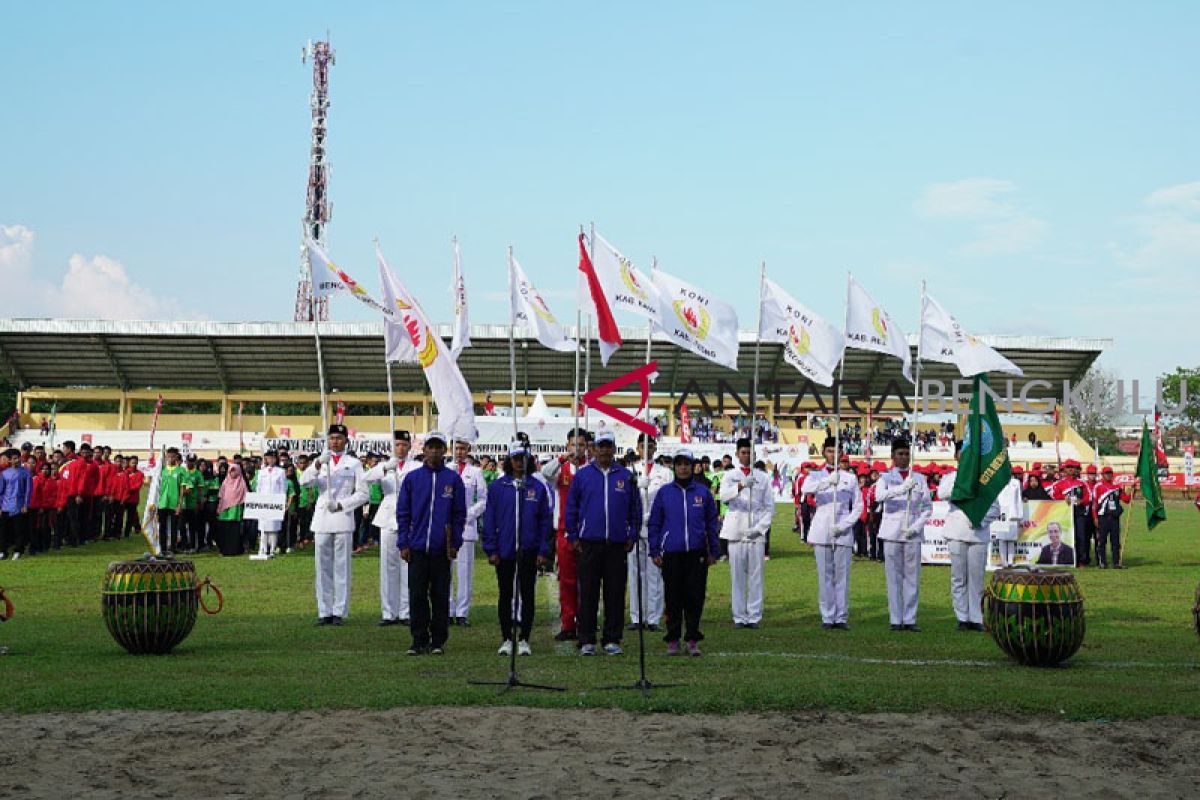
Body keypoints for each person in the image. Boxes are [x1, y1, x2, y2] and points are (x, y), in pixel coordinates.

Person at [565, 429, 641, 656]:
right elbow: (572, 509)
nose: (605, 450)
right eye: (601, 446)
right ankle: (586, 639)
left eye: (609, 446)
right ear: (594, 448)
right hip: (589, 543)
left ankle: (612, 638)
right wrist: (573, 535)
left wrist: (633, 534)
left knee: (615, 593)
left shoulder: (626, 476)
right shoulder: (583, 475)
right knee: (588, 593)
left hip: (617, 544)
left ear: (614, 448)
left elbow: (635, 509)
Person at [397, 431, 466, 655]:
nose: (434, 451)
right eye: (431, 447)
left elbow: (459, 514)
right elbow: (403, 513)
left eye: (439, 447)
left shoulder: (453, 479)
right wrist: (403, 543)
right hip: (417, 548)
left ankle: (438, 640)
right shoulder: (412, 478)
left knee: (439, 595)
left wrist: (455, 542)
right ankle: (418, 640)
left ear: (445, 450)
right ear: (424, 450)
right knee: (417, 595)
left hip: (441, 549)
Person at [481, 440, 552, 656]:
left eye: (523, 458)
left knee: (527, 594)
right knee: (506, 594)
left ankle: (524, 639)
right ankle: (506, 638)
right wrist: (491, 549)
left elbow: (544, 522)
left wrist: (543, 551)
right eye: (515, 458)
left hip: (529, 550)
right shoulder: (497, 488)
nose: (519, 462)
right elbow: (490, 520)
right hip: (505, 550)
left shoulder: (536, 487)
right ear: (509, 461)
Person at [648, 448, 720, 656]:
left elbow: (711, 523)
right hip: (672, 553)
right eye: (679, 464)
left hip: (696, 553)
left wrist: (713, 550)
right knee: (673, 598)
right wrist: (655, 550)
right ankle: (672, 639)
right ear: (674, 467)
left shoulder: (703, 493)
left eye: (686, 464)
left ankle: (692, 638)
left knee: (694, 597)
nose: (682, 468)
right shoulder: (664, 493)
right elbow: (655, 523)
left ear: (692, 466)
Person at [300, 424, 370, 626]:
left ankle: (339, 610)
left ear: (346, 440)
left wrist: (341, 504)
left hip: (342, 516)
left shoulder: (354, 463)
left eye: (339, 438)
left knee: (341, 566)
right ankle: (324, 610)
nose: (335, 442)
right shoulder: (321, 461)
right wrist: (316, 466)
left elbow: (363, 494)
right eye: (332, 438)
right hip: (322, 518)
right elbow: (304, 483)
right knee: (322, 566)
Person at [800, 437, 863, 630]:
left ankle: (841, 616)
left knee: (842, 576)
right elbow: (805, 490)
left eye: (836, 451)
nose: (833, 455)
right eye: (829, 451)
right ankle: (827, 616)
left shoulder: (850, 478)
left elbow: (858, 505)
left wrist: (846, 524)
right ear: (823, 452)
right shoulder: (816, 475)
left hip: (842, 529)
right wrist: (827, 481)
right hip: (822, 528)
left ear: (842, 453)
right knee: (825, 575)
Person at [939, 441, 1002, 631]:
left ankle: (976, 617)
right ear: (956, 456)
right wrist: (964, 483)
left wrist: (979, 521)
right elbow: (942, 493)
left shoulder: (984, 479)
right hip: (956, 532)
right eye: (961, 453)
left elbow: (995, 508)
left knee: (976, 577)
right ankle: (962, 617)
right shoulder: (951, 477)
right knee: (958, 577)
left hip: (978, 532)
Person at [873, 437, 932, 631]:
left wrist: (916, 527)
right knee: (894, 576)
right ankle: (895, 619)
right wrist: (901, 488)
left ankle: (910, 619)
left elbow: (927, 507)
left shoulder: (920, 478)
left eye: (907, 454)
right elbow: (878, 497)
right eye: (900, 454)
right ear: (892, 456)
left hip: (912, 530)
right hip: (891, 530)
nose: (904, 457)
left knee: (912, 577)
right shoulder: (885, 478)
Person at [365, 430, 419, 626]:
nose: (401, 448)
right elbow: (366, 479)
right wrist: (385, 468)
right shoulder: (385, 465)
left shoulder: (416, 466)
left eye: (404, 444)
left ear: (409, 446)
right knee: (388, 566)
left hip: (410, 518)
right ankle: (389, 612)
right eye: (397, 445)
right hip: (388, 517)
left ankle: (406, 611)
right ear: (392, 446)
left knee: (408, 565)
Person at [719, 437, 773, 629]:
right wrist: (740, 485)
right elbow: (723, 496)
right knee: (737, 576)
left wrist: (759, 529)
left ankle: (754, 616)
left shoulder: (763, 477)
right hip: (735, 529)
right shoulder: (729, 475)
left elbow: (769, 507)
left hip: (755, 530)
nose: (746, 455)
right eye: (743, 452)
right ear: (736, 454)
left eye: (750, 452)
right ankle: (739, 616)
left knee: (755, 576)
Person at [541, 428, 588, 641]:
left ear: (587, 447)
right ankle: (568, 623)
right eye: (573, 445)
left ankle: (586, 622)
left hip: (587, 533)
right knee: (567, 580)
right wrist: (562, 458)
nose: (577, 449)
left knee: (587, 580)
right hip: (564, 531)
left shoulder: (591, 469)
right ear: (568, 446)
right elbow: (545, 472)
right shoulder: (562, 469)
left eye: (581, 445)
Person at [628, 433, 670, 632]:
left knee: (655, 574)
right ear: (638, 448)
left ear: (655, 448)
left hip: (655, 527)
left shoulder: (665, 472)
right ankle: (637, 616)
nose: (647, 449)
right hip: (635, 526)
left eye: (651, 445)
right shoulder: (630, 470)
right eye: (643, 446)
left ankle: (653, 617)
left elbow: (667, 500)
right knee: (635, 572)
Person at [449, 437, 488, 627]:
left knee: (464, 572)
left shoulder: (475, 472)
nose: (459, 452)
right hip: (446, 526)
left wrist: (468, 514)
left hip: (466, 525)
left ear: (468, 450)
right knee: (445, 572)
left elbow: (482, 499)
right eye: (456, 448)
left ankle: (462, 612)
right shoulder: (446, 469)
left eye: (463, 449)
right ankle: (447, 610)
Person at [1048, 459, 1093, 566]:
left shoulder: (1082, 483)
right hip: (1065, 514)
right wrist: (1063, 499)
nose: (1071, 469)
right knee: (1065, 537)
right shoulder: (1059, 483)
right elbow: (1052, 495)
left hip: (1079, 513)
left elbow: (1089, 496)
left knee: (1080, 537)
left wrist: (1081, 501)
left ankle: (1081, 561)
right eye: (1068, 467)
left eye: (1073, 467)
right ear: (1064, 469)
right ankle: (1067, 560)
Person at [1092, 466, 1130, 568]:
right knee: (1102, 541)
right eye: (1106, 473)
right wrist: (1095, 517)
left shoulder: (1117, 487)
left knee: (1115, 541)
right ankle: (1102, 562)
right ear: (1102, 474)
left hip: (1114, 518)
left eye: (1110, 473)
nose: (1108, 475)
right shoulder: (1098, 486)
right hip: (1103, 517)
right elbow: (1094, 503)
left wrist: (1132, 491)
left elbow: (1126, 500)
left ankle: (1116, 562)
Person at [252, 450, 288, 558]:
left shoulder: (280, 471)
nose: (270, 460)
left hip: (275, 501)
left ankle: (272, 549)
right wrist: (258, 500)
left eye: (272, 458)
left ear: (275, 459)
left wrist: (282, 501)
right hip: (264, 501)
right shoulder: (261, 472)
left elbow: (283, 488)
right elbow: (258, 487)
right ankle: (262, 548)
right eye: (268, 458)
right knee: (263, 527)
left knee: (273, 527)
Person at [0, 449, 32, 560]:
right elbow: (1, 491)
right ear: (9, 460)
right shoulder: (4, 474)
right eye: (13, 458)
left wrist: (25, 505)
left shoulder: (26, 473)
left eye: (17, 458)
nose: (16, 460)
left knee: (18, 530)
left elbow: (28, 491)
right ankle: (3, 551)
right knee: (3, 530)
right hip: (5, 506)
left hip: (19, 506)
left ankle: (18, 551)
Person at [155, 448, 185, 553]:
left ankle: (173, 549)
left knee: (173, 528)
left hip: (174, 503)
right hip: (162, 503)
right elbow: (156, 488)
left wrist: (180, 504)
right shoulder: (162, 470)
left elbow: (182, 488)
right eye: (168, 456)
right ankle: (162, 549)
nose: (170, 459)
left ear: (176, 457)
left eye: (172, 456)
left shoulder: (181, 471)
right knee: (162, 527)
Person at [215, 463, 247, 556]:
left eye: (234, 470)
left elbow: (245, 496)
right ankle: (224, 550)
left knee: (234, 530)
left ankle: (234, 550)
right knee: (225, 530)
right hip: (224, 510)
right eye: (231, 471)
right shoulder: (225, 482)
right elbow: (221, 495)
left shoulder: (242, 483)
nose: (233, 473)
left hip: (235, 510)